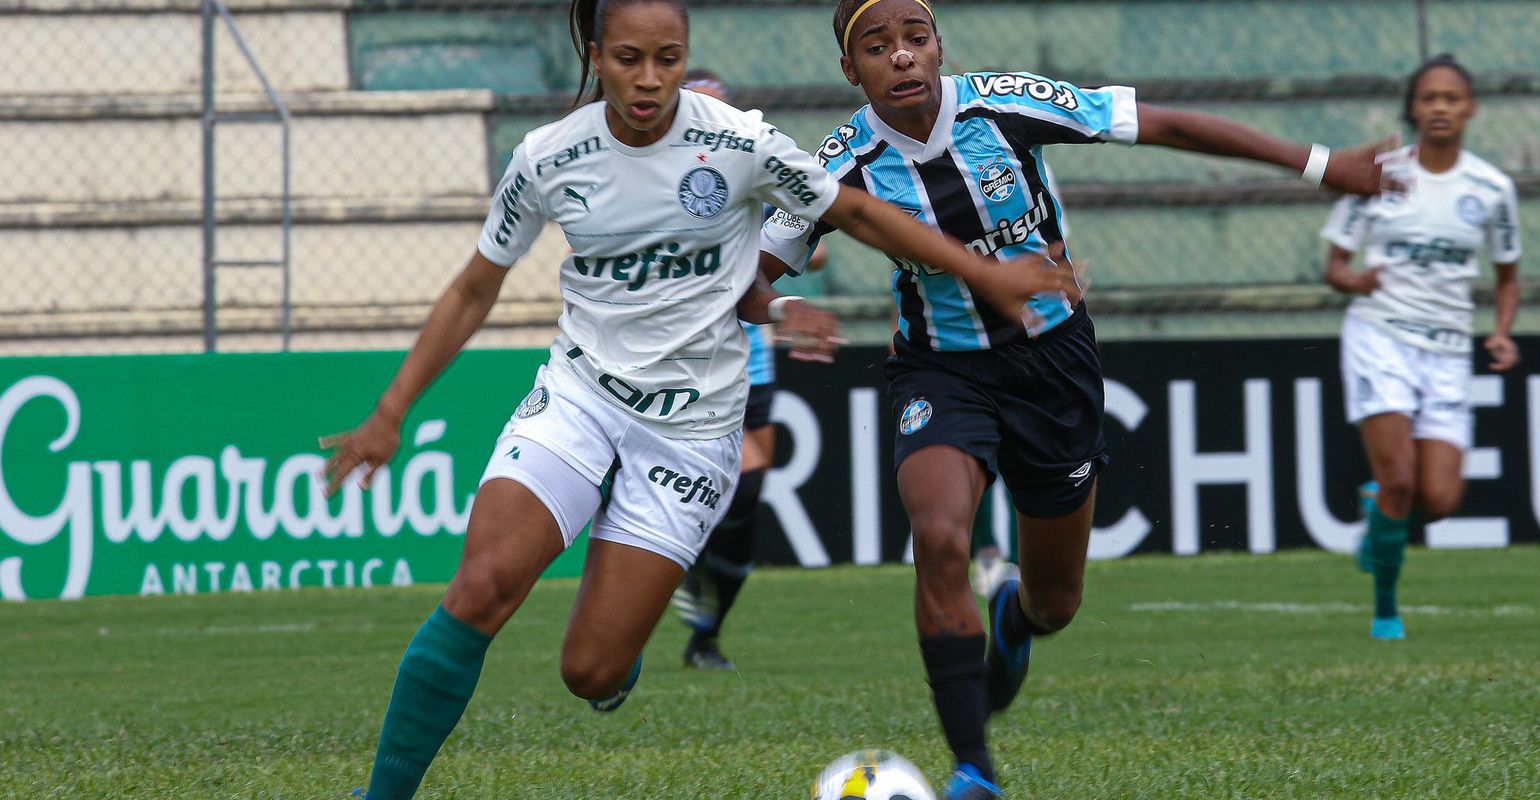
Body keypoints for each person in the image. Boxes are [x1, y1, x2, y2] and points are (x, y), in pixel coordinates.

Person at [320, 0, 1066, 795]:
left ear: (685, 56)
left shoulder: (737, 140)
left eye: (668, 59)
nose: (649, 80)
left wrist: (984, 273)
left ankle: (621, 643)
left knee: (590, 671)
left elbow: (849, 208)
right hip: (578, 398)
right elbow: (474, 290)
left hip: (691, 431)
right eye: (630, 59)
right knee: (480, 589)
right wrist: (391, 411)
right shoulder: (548, 156)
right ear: (598, 54)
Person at [758, 1, 1387, 796]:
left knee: (1057, 603)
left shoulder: (1005, 104)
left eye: (916, 40)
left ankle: (1015, 614)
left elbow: (1166, 126)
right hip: (941, 372)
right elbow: (753, 271)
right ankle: (972, 770)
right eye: (878, 49)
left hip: (1053, 366)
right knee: (942, 536)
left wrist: (1323, 164)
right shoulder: (839, 162)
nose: (903, 59)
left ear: (940, 46)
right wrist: (783, 309)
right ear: (852, 71)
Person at [1321, 53, 1520, 642]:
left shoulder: (1492, 189)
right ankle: (1386, 610)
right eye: (1429, 97)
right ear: (1413, 107)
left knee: (1437, 499)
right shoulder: (1380, 174)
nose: (1440, 107)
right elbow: (1335, 264)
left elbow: (1507, 276)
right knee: (1402, 480)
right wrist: (1354, 280)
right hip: (1380, 335)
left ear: (1471, 109)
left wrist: (1502, 330)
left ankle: (1375, 511)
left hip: (1449, 349)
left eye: (1452, 98)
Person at [670, 68, 832, 670]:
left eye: (722, 109)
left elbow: (811, 243)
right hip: (679, 364)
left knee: (749, 489)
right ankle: (668, 575)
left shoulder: (751, 170)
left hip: (748, 359)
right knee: (685, 491)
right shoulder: (658, 183)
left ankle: (705, 630)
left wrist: (800, 248)